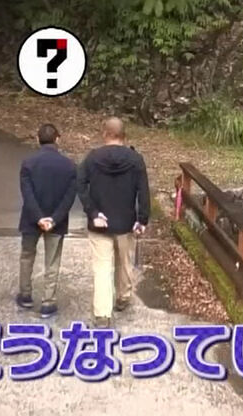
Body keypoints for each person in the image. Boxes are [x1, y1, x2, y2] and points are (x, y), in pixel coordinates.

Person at [78, 117, 150, 329]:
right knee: (124, 262)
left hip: (99, 223)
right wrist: (142, 219)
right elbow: (143, 191)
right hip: (126, 222)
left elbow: (79, 184)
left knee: (102, 268)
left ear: (104, 134)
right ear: (124, 136)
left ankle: (102, 314)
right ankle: (123, 297)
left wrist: (93, 212)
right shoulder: (136, 159)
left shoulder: (92, 158)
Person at [17, 124, 76, 318]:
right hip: (57, 221)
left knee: (27, 256)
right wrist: (54, 218)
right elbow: (69, 197)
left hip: (31, 219)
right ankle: (48, 302)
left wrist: (38, 217)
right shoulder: (69, 166)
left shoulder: (28, 163)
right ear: (57, 139)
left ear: (37, 139)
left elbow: (27, 193)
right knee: (52, 261)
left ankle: (25, 294)